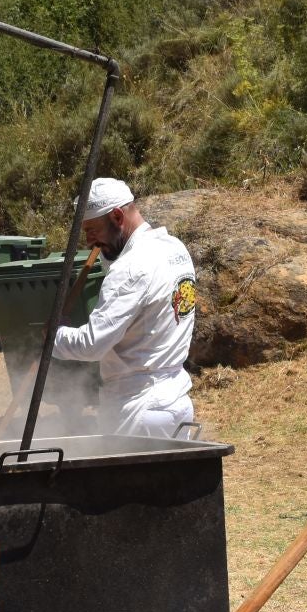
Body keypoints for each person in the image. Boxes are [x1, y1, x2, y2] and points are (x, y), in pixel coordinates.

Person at [50, 177, 199, 437]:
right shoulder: (175, 249)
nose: (89, 241)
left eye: (92, 230)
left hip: (137, 408)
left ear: (117, 216)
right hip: (175, 402)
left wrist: (54, 337)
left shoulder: (129, 269)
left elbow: (92, 345)